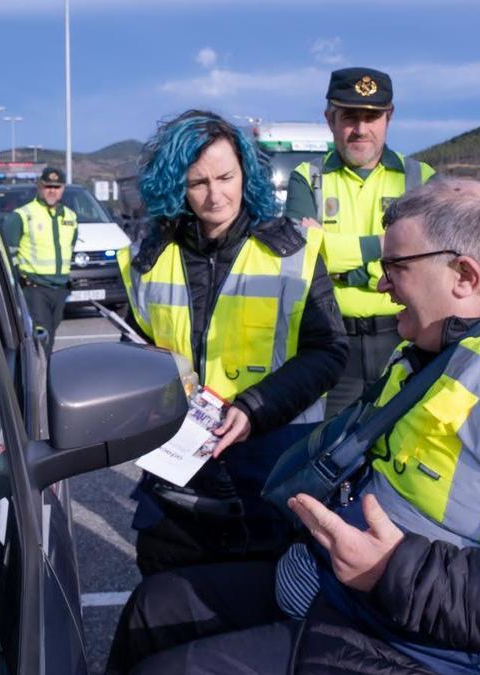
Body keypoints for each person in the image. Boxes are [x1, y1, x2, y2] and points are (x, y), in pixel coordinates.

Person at [108, 179, 480, 674]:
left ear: (465, 276)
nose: (379, 284)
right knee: (153, 606)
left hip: (435, 646)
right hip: (354, 599)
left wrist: (394, 572)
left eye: (395, 267)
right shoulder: (438, 346)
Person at [117, 110, 347, 575]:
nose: (214, 195)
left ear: (246, 174)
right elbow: (132, 344)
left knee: (261, 611)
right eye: (198, 182)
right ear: (176, 184)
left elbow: (329, 352)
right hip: (177, 468)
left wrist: (256, 406)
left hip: (270, 462)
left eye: (225, 177)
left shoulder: (293, 252)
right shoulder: (148, 259)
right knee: (166, 603)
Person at [283, 67, 437, 417]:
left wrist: (339, 263)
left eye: (372, 117)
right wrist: (385, 251)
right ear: (330, 119)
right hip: (330, 342)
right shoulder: (307, 178)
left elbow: (428, 259)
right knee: (328, 449)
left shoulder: (421, 178)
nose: (361, 129)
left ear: (389, 117)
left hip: (404, 338)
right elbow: (300, 257)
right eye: (350, 117)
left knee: (399, 444)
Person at [2, 166, 78, 357]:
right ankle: (38, 383)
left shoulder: (70, 217)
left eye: (57, 187)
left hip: (60, 288)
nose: (52, 190)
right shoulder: (23, 215)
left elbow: (70, 247)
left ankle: (42, 379)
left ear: (63, 189)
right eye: (48, 186)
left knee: (49, 340)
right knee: (40, 340)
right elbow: (7, 254)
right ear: (39, 187)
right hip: (35, 288)